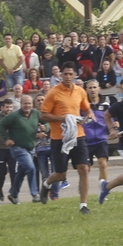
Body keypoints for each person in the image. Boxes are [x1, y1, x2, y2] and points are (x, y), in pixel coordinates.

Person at [39, 62, 92, 213]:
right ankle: (47, 183)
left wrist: (87, 116)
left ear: (75, 75)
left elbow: (87, 109)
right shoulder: (53, 93)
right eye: (65, 74)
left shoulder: (80, 91)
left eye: (71, 74)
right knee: (61, 175)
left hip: (78, 135)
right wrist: (64, 118)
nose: (68, 77)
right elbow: (43, 115)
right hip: (59, 137)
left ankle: (83, 205)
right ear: (60, 75)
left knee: (84, 168)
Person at [0, 94, 40, 204]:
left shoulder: (36, 114)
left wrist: (46, 128)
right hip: (18, 148)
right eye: (25, 103)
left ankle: (13, 194)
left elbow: (47, 123)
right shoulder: (14, 116)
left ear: (33, 104)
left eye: (29, 103)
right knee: (31, 168)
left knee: (22, 171)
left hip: (31, 148)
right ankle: (35, 194)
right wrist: (6, 139)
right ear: (21, 104)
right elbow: (1, 124)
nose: (27, 105)